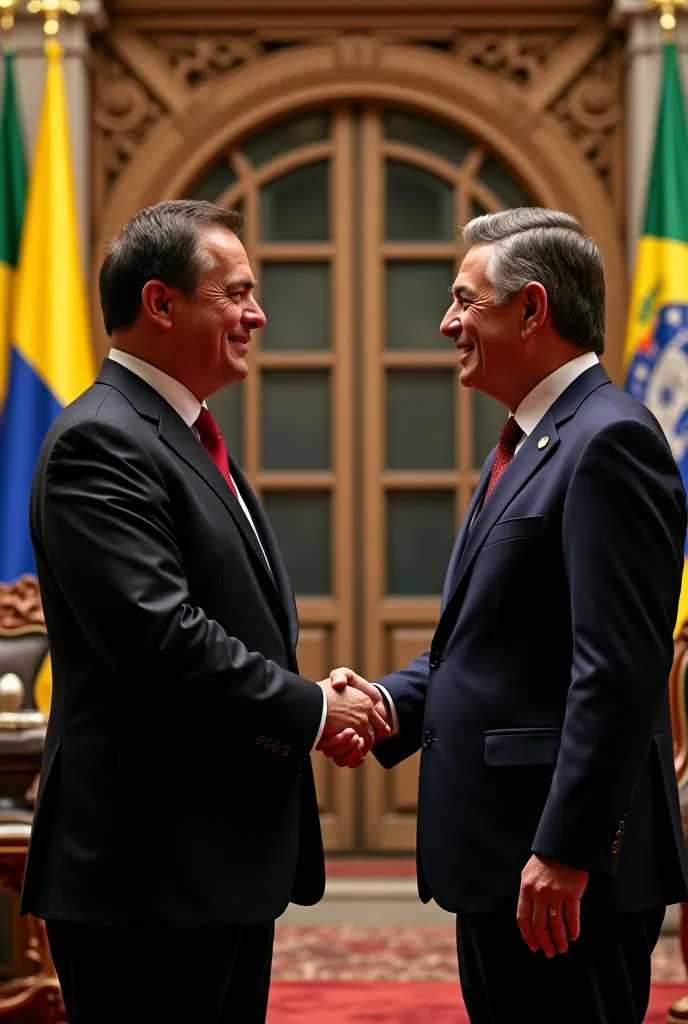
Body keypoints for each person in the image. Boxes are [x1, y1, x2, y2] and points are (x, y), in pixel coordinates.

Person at [21, 199, 388, 1024]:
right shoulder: (103, 441)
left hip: (208, 867)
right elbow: (161, 639)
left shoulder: (179, 434)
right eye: (236, 292)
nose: (257, 314)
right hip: (146, 873)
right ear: (161, 303)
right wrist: (314, 709)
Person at [321, 208, 688, 1024]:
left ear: (531, 309)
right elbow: (492, 647)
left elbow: (619, 669)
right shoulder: (536, 441)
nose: (448, 322)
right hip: (507, 861)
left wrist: (567, 847)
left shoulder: (609, 441)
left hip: (558, 873)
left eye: (464, 300)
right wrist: (387, 704)